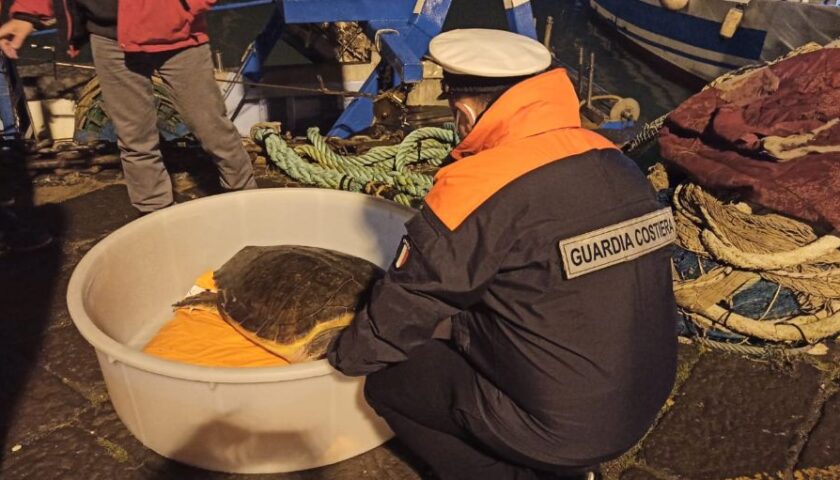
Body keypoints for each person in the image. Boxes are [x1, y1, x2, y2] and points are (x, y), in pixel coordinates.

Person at [328, 29, 678, 480]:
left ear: (466, 112)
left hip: (567, 429)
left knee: (392, 382)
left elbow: (403, 308)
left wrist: (341, 358)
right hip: (642, 402)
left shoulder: (477, 186)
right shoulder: (615, 161)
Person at [0, 0, 257, 214]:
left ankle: (249, 201)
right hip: (109, 39)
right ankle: (154, 216)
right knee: (135, 138)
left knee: (212, 128)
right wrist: (27, 16)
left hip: (179, 35)